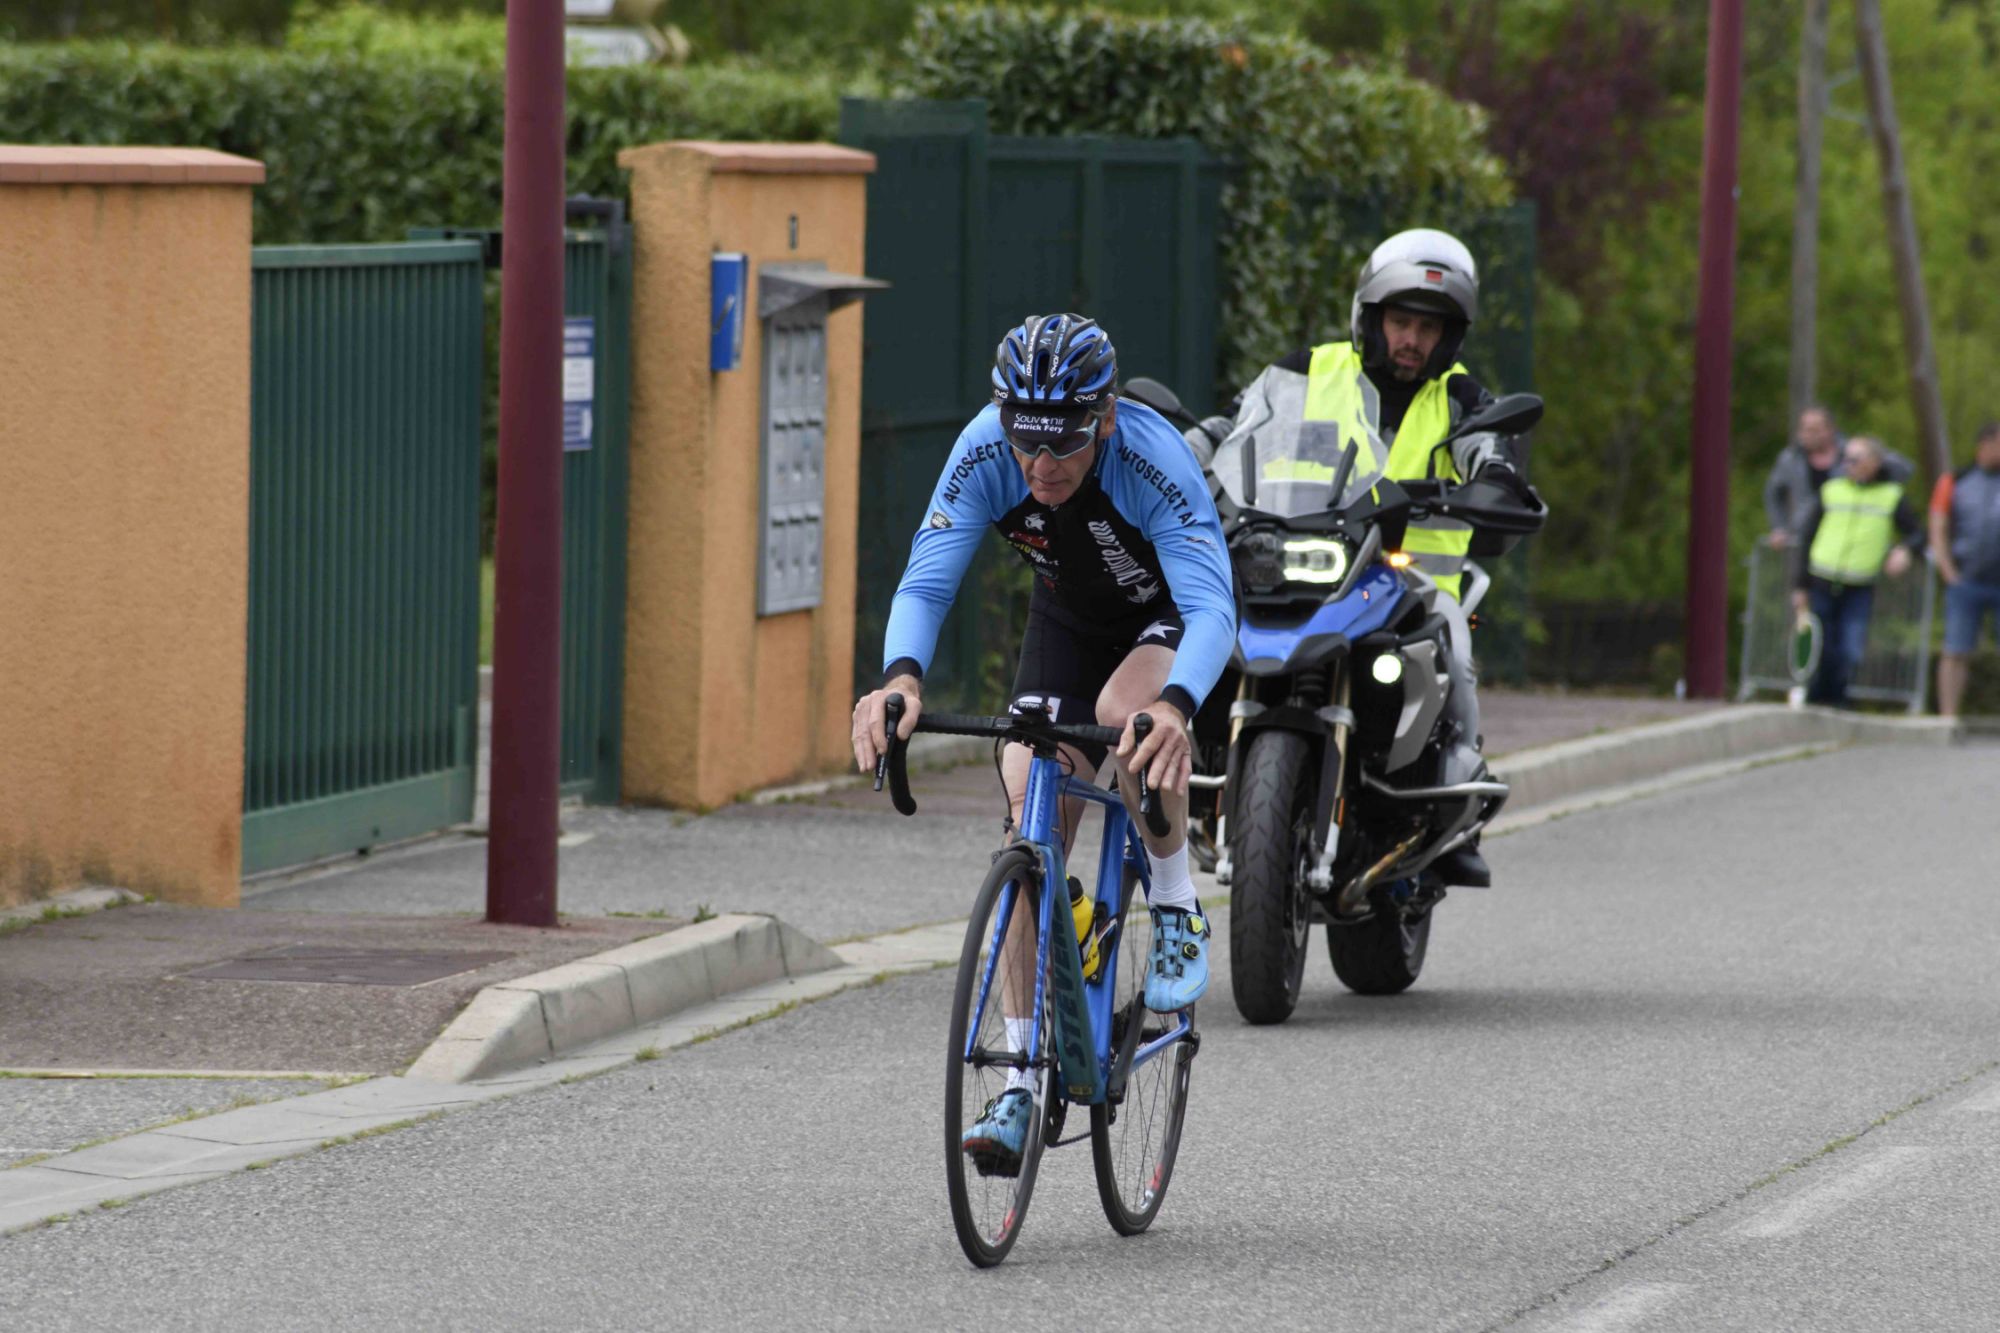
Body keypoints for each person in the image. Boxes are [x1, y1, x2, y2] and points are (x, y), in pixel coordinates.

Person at [850, 313, 1235, 1173]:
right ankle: (1021, 1076)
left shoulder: (1150, 458)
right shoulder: (987, 449)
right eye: (1026, 439)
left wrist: (1176, 706)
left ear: (1105, 418)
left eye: (1063, 441)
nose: (1041, 463)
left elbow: (1213, 605)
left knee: (1130, 716)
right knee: (1029, 795)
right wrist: (901, 680)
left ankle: (1176, 902)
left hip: (1166, 620)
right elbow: (927, 579)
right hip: (1066, 621)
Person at [1239, 228, 1535, 888]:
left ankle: (1457, 800)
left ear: (1449, 337)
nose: (1412, 339)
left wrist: (1496, 479)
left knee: (1456, 646)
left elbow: (1490, 449)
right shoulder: (1305, 373)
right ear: (1370, 317)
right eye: (1402, 321)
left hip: (1414, 582)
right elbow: (1235, 428)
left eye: (1429, 328)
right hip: (1307, 559)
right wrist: (1193, 453)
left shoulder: (1462, 398)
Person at [1791, 434, 1922, 707]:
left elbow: (1918, 533)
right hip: (1822, 578)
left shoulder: (1891, 495)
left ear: (1874, 462)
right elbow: (1807, 538)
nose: (1847, 464)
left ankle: (1838, 696)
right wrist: (1800, 584)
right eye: (1845, 458)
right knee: (1822, 645)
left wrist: (1906, 550)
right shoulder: (1832, 490)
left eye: (1855, 458)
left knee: (1851, 646)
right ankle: (1819, 695)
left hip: (1859, 585)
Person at [1931, 422, 2000, 716]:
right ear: (1985, 444)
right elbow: (1938, 526)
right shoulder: (1955, 480)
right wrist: (1948, 570)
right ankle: (1948, 718)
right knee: (1956, 649)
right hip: (1966, 580)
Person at [1764, 406, 1845, 547]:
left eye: (1815, 430)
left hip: (1844, 533)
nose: (1808, 435)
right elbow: (1773, 493)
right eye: (1804, 430)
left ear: (1831, 430)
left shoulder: (1851, 455)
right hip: (1804, 534)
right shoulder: (1790, 458)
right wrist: (1779, 527)